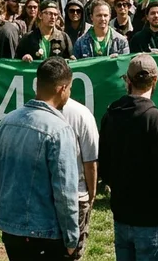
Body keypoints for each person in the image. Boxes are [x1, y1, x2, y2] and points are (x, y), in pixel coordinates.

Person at [0, 57, 81, 259]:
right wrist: (72, 238)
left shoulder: (6, 122)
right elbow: (65, 192)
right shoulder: (60, 130)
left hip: (11, 230)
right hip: (46, 234)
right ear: (63, 88)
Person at [98, 54, 158, 261]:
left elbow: (104, 166)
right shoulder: (157, 120)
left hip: (123, 215)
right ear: (155, 80)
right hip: (152, 220)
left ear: (128, 80)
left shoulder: (111, 115)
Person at [60, 91, 99, 258]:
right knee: (73, 253)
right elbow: (90, 162)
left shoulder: (26, 115)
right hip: (76, 195)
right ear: (65, 87)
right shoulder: (82, 113)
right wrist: (91, 193)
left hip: (41, 198)